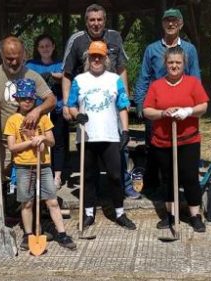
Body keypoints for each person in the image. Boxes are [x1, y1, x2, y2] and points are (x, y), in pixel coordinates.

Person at [61, 3, 140, 200]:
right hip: (87, 103)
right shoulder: (77, 40)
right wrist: (66, 103)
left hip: (111, 99)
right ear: (86, 22)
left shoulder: (114, 37)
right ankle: (91, 193)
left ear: (104, 21)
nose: (96, 24)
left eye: (99, 20)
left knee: (119, 144)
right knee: (89, 150)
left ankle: (125, 183)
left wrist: (125, 98)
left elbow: (121, 68)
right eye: (92, 20)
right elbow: (67, 73)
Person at [0, 36, 56, 226]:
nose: (13, 62)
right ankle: (0, 223)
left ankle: (31, 222)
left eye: (16, 57)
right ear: (2, 55)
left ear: (24, 55)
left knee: (30, 179)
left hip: (29, 142)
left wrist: (37, 110)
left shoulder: (32, 76)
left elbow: (51, 100)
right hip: (3, 140)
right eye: (8, 58)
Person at [66, 41, 136, 230]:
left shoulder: (114, 79)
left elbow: (122, 106)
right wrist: (76, 115)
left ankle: (120, 213)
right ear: (88, 58)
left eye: (100, 56)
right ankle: (88, 213)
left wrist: (126, 130)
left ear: (106, 59)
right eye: (93, 56)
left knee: (115, 175)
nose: (96, 59)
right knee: (88, 177)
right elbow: (71, 105)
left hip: (110, 136)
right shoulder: (80, 80)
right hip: (87, 136)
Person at [135, 8, 201, 197]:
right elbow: (144, 77)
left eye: (174, 21)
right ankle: (156, 187)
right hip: (157, 108)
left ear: (180, 24)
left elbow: (195, 77)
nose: (171, 24)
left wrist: (193, 107)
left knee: (183, 149)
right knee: (155, 148)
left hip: (182, 109)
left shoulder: (189, 49)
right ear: (163, 24)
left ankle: (180, 187)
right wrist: (140, 102)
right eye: (167, 21)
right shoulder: (152, 49)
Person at [4, 78, 76, 251]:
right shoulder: (13, 120)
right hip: (23, 167)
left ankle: (62, 234)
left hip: (43, 166)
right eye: (23, 98)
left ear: (34, 99)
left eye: (30, 98)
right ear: (17, 99)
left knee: (51, 201)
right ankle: (28, 235)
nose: (27, 101)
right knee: (27, 203)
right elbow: (12, 147)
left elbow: (52, 141)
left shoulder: (43, 119)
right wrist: (30, 143)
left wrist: (43, 137)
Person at [142, 46, 209, 233]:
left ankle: (195, 215)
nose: (174, 66)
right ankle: (171, 215)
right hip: (163, 142)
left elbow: (203, 106)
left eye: (178, 63)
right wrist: (163, 113)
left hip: (188, 140)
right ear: (165, 64)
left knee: (189, 177)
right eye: (171, 62)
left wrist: (188, 111)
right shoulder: (156, 85)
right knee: (169, 178)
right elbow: (147, 110)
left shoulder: (193, 83)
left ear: (184, 64)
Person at [27, 34, 67, 190]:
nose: (45, 49)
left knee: (57, 142)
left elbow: (67, 78)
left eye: (48, 46)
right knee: (38, 141)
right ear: (37, 49)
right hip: (37, 110)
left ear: (53, 47)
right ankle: (40, 172)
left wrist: (55, 77)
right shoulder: (30, 65)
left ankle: (57, 176)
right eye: (42, 46)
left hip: (56, 109)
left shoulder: (60, 65)